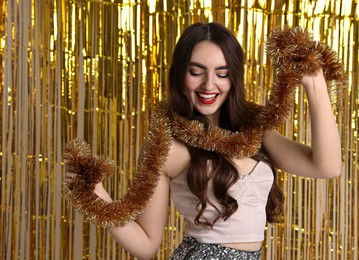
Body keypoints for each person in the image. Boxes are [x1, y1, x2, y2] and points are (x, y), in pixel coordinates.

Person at [65, 22, 343, 259]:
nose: (209, 85)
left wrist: (314, 83)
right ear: (179, 75)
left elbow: (327, 167)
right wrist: (96, 196)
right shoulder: (168, 146)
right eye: (196, 72)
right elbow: (147, 245)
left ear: (234, 78)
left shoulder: (255, 132)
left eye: (221, 74)